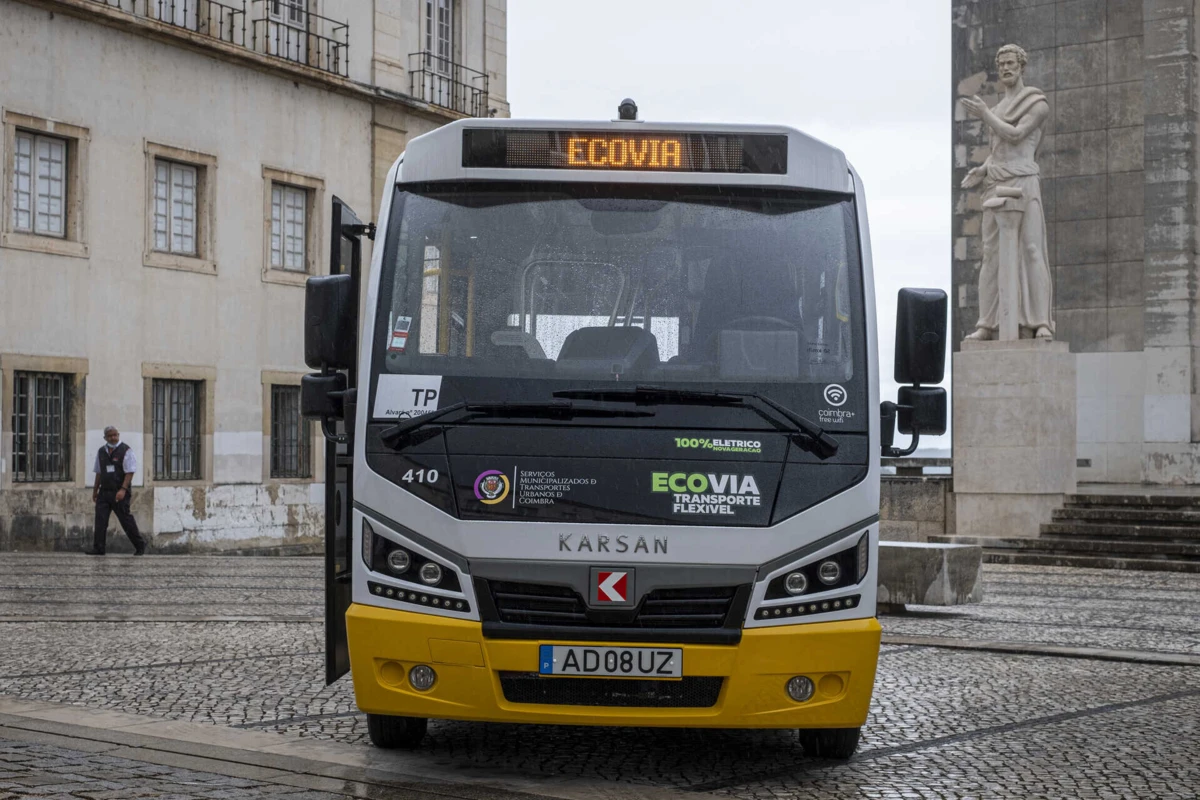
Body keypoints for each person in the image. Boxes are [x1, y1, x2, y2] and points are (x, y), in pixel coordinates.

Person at [960, 43, 1054, 341]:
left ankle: (1041, 322)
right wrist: (984, 168)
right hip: (996, 184)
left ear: (1022, 66)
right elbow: (999, 149)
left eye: (1011, 63)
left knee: (1031, 249)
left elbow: (1015, 135)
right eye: (1001, 65)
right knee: (991, 255)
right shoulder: (999, 108)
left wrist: (985, 114)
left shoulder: (1036, 102)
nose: (1006, 68)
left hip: (1025, 181)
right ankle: (987, 323)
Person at [85, 426, 147, 556]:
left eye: (115, 435)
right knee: (100, 520)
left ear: (118, 435)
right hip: (104, 491)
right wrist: (95, 490)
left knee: (125, 520)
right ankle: (99, 548)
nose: (113, 438)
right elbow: (99, 472)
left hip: (119, 491)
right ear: (105, 437)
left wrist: (123, 489)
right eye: (110, 436)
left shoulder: (126, 450)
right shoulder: (101, 451)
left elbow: (130, 472)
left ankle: (139, 545)